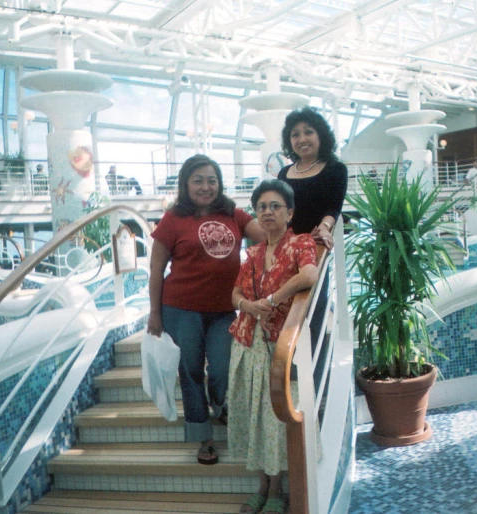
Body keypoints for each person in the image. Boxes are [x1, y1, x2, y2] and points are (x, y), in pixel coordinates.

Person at [148, 155, 264, 466]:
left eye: (212, 179)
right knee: (190, 371)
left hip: (224, 309)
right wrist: (154, 314)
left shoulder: (233, 214)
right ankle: (203, 436)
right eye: (198, 180)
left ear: (220, 183)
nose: (206, 186)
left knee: (224, 367)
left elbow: (268, 235)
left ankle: (219, 404)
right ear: (186, 184)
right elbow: (156, 269)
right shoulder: (173, 219)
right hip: (180, 308)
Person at [228, 180, 318, 514]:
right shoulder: (251, 253)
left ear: (290, 212)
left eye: (275, 206)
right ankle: (262, 486)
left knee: (275, 419)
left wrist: (270, 299)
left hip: (280, 346)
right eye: (261, 206)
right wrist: (249, 307)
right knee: (255, 418)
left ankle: (277, 490)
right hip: (248, 343)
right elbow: (235, 294)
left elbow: (309, 275)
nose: (267, 212)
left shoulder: (301, 243)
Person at [277, 107, 348, 250]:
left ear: (320, 136)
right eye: (295, 135)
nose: (302, 139)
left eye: (308, 132)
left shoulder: (335, 169)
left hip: (315, 242)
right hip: (287, 245)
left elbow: (333, 208)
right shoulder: (283, 173)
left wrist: (324, 227)